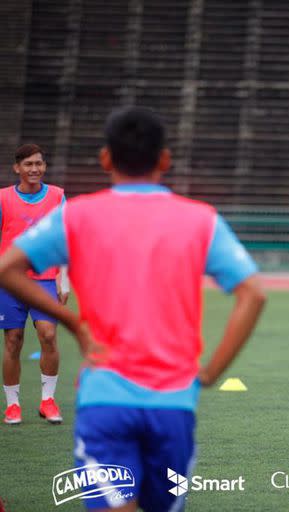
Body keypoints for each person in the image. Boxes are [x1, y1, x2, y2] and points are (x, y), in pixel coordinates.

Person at [0, 106, 266, 511]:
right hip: (174, 401)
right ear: (164, 159)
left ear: (106, 158)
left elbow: (8, 268)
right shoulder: (200, 219)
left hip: (104, 397)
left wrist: (72, 321)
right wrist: (210, 372)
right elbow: (253, 294)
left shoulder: (76, 214)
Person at [2, 144, 69, 425]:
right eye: (28, 164)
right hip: (9, 281)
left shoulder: (57, 196)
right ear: (17, 168)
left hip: (44, 279)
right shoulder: (3, 198)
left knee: (49, 336)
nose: (34, 169)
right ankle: (13, 405)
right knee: (13, 342)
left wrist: (64, 277)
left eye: (39, 164)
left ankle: (47, 401)